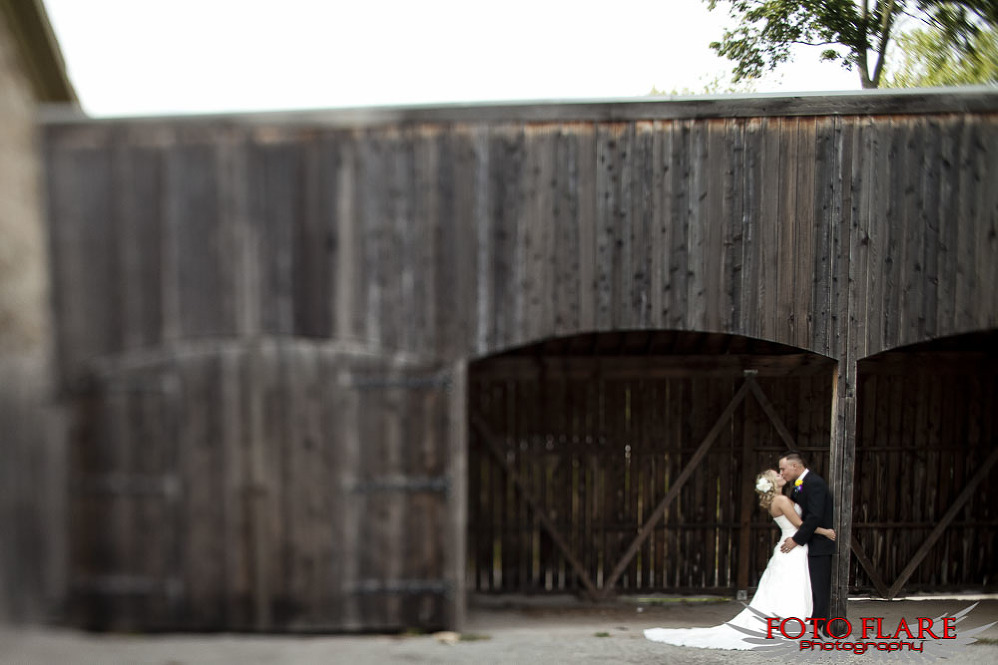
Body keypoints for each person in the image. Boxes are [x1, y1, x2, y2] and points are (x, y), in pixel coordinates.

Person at [644, 469, 835, 650]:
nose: (781, 474)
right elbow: (801, 525)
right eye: (776, 474)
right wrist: (825, 531)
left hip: (789, 546)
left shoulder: (777, 500)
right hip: (793, 547)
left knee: (784, 587)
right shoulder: (782, 500)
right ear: (771, 483)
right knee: (792, 586)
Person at [778, 451, 836, 637]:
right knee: (808, 586)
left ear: (795, 466)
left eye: (783, 468)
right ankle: (810, 625)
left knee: (819, 587)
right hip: (807, 543)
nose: (782, 472)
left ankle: (820, 628)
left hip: (818, 544)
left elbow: (814, 516)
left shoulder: (815, 483)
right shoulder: (799, 484)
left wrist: (796, 540)